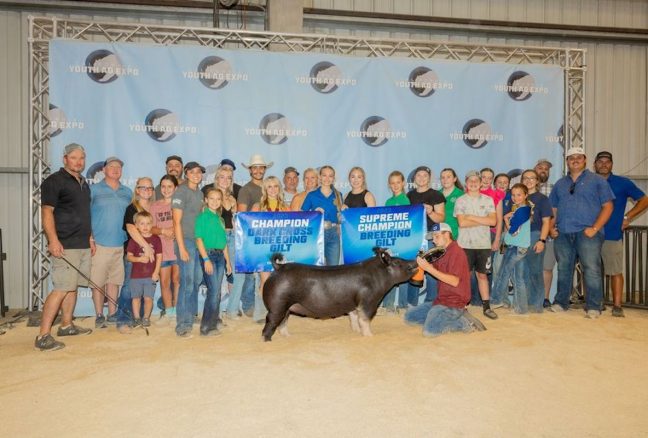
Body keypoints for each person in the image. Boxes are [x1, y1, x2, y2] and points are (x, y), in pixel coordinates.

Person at [36, 143, 93, 351]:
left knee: (72, 286)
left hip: (81, 243)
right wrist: (53, 240)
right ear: (65, 159)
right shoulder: (54, 181)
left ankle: (66, 324)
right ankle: (43, 335)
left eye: (82, 158)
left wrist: (90, 238)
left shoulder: (83, 182)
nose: (78, 162)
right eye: (74, 157)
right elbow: (47, 213)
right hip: (64, 243)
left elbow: (84, 213)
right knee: (60, 288)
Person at [549, 147, 614, 318]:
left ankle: (593, 306)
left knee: (591, 269)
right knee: (563, 268)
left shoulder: (597, 180)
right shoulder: (560, 183)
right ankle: (561, 302)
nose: (575, 160)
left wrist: (594, 228)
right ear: (567, 161)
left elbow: (608, 206)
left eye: (579, 157)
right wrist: (551, 228)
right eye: (571, 158)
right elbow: (553, 209)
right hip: (563, 233)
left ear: (585, 160)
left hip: (588, 233)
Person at [404, 223, 486, 337]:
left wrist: (428, 268)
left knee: (429, 332)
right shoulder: (441, 252)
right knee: (409, 317)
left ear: (447, 235)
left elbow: (454, 281)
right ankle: (442, 318)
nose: (433, 240)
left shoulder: (457, 252)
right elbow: (436, 270)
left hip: (454, 303)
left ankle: (464, 323)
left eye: (436, 236)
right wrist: (424, 263)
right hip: (441, 300)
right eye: (433, 237)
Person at [594, 151, 648, 317]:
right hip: (589, 235)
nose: (604, 164)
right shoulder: (587, 181)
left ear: (612, 164)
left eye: (607, 162)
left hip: (612, 234)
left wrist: (628, 217)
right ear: (594, 164)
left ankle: (617, 306)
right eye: (600, 161)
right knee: (591, 271)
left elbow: (644, 200)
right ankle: (594, 304)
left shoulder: (622, 183)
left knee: (615, 271)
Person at [89, 156, 132, 328]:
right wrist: (89, 237)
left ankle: (112, 313)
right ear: (104, 170)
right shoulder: (93, 190)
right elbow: (85, 215)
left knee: (114, 281)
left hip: (119, 244)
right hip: (99, 243)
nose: (115, 169)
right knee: (98, 281)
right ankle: (99, 315)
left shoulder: (127, 192)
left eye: (119, 167)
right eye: (112, 166)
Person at [455, 170, 498, 319]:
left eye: (476, 180)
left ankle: (486, 307)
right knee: (464, 276)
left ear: (481, 183)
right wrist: (482, 219)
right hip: (464, 244)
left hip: (483, 244)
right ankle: (463, 306)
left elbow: (493, 221)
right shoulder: (460, 200)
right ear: (466, 183)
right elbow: (462, 222)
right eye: (470, 180)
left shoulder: (488, 200)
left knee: (482, 275)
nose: (473, 183)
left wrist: (471, 217)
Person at [117, 176, 156, 333]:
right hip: (134, 254)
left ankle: (138, 317)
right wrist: (146, 246)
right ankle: (123, 320)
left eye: (150, 188)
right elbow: (131, 228)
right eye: (143, 187)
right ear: (137, 190)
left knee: (145, 287)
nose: (146, 191)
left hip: (150, 257)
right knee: (129, 287)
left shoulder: (153, 207)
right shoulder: (132, 208)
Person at [173, 161, 206, 337]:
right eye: (192, 172)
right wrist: (182, 247)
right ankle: (182, 324)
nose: (196, 174)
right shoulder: (181, 192)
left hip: (198, 242)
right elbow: (176, 222)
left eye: (199, 172)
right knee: (187, 283)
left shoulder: (200, 194)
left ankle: (191, 315)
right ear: (186, 173)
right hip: (185, 241)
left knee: (195, 280)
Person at [251, 176, 291, 323]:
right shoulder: (257, 206)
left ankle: (279, 314)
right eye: (269, 187)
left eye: (275, 186)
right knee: (265, 281)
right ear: (265, 189)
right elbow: (250, 227)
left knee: (280, 283)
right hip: (262, 249)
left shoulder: (286, 208)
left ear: (279, 188)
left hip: (280, 250)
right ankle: (261, 314)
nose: (273, 189)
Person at [237, 154, 272, 317]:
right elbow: (241, 215)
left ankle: (263, 306)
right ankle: (249, 305)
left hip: (267, 238)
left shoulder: (269, 188)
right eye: (255, 168)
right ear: (250, 170)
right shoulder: (246, 190)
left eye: (261, 168)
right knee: (251, 275)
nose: (258, 170)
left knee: (265, 274)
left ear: (264, 169)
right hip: (251, 237)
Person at [490, 183, 533, 315]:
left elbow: (513, 231)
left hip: (515, 247)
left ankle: (497, 300)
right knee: (518, 278)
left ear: (526, 195)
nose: (515, 197)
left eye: (519, 195)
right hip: (519, 246)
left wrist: (505, 219)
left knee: (504, 272)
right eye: (513, 195)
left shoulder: (523, 210)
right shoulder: (522, 209)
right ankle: (521, 308)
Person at [195, 187, 232, 336]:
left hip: (219, 257)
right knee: (213, 290)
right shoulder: (202, 217)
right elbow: (199, 240)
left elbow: (224, 243)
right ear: (206, 200)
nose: (215, 201)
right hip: (208, 255)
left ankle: (214, 321)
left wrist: (228, 262)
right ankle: (206, 327)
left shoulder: (220, 218)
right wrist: (205, 259)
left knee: (216, 292)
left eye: (218, 199)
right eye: (212, 198)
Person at [407, 165, 445, 304]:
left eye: (425, 175)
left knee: (430, 271)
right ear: (414, 178)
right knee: (412, 269)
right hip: (413, 237)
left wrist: (430, 212)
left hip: (431, 237)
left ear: (429, 178)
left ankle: (431, 301)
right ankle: (412, 302)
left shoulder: (436, 195)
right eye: (419, 175)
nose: (422, 178)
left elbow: (441, 218)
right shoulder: (409, 195)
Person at [519, 169, 553, 312]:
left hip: (534, 235)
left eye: (532, 178)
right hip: (520, 237)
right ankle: (524, 303)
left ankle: (537, 304)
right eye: (525, 178)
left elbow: (546, 222)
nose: (529, 180)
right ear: (521, 181)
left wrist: (542, 240)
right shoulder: (518, 198)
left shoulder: (542, 199)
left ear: (537, 181)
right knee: (522, 271)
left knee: (535, 271)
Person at [150, 174, 179, 323]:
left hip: (178, 249)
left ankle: (177, 310)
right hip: (162, 250)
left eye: (170, 186)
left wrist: (175, 229)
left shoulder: (180, 204)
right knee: (165, 282)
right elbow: (150, 228)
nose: (166, 189)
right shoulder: (155, 206)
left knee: (177, 280)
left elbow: (187, 223)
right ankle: (168, 312)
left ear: (176, 188)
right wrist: (163, 231)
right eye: (163, 186)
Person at [126, 211, 162, 328]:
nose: (145, 227)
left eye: (148, 223)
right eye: (142, 224)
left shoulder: (156, 239)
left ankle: (146, 318)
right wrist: (139, 259)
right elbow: (129, 257)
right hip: (136, 276)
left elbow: (159, 256)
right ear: (136, 225)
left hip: (150, 276)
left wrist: (156, 272)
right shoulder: (134, 240)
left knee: (148, 298)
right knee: (136, 298)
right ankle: (136, 318)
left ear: (152, 225)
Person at [301, 165, 343, 266]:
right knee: (316, 268)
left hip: (334, 234)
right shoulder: (312, 195)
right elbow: (302, 216)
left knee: (333, 268)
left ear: (334, 178)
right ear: (319, 177)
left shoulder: (338, 195)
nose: (327, 178)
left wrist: (344, 210)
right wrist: (314, 213)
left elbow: (340, 216)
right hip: (317, 233)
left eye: (330, 176)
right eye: (324, 175)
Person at [381, 170, 410, 312]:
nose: (395, 185)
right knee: (391, 271)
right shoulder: (388, 202)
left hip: (404, 240)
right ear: (389, 185)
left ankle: (403, 304)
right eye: (392, 183)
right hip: (391, 241)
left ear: (403, 183)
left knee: (403, 271)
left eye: (398, 182)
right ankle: (389, 305)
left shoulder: (407, 199)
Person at [534, 158, 556, 308]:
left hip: (548, 235)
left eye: (546, 169)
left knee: (547, 267)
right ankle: (532, 297)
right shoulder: (524, 189)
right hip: (531, 233)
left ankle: (545, 298)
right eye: (540, 168)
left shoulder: (554, 189)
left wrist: (549, 230)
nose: (543, 170)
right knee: (530, 266)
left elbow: (556, 211)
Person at [439, 168, 464, 240]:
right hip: (439, 235)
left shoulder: (461, 195)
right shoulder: (436, 194)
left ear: (455, 179)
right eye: (442, 177)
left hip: (456, 235)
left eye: (448, 177)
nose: (445, 180)